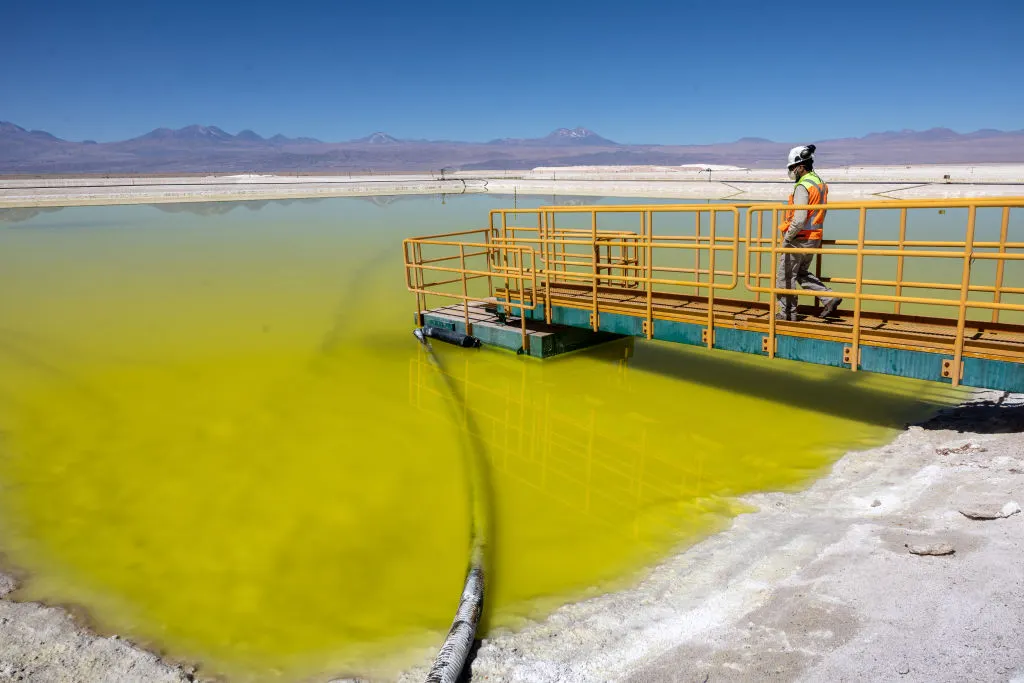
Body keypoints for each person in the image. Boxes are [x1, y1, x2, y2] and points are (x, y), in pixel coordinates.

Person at [775, 144, 842, 321]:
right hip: (814, 237)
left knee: (785, 276)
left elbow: (799, 218)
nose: (791, 171)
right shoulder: (819, 182)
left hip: (799, 238)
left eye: (792, 168)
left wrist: (787, 238)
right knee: (802, 273)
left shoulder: (802, 186)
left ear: (801, 166)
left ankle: (787, 314)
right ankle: (829, 298)